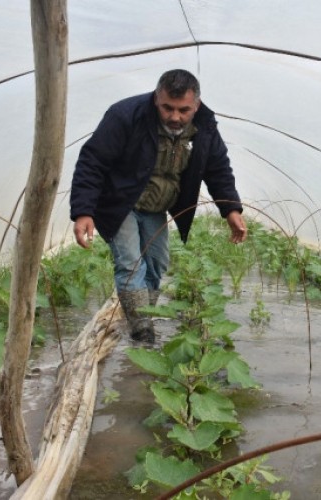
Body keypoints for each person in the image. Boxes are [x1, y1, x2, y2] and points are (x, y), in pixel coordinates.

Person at [70, 69, 247, 341]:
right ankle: (142, 331)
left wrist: (231, 209)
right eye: (167, 108)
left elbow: (218, 168)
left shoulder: (205, 128)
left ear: (196, 105)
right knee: (130, 264)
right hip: (121, 203)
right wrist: (83, 210)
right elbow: (93, 161)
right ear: (156, 99)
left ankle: (143, 316)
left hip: (157, 207)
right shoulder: (126, 115)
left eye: (183, 110)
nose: (175, 116)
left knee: (156, 264)